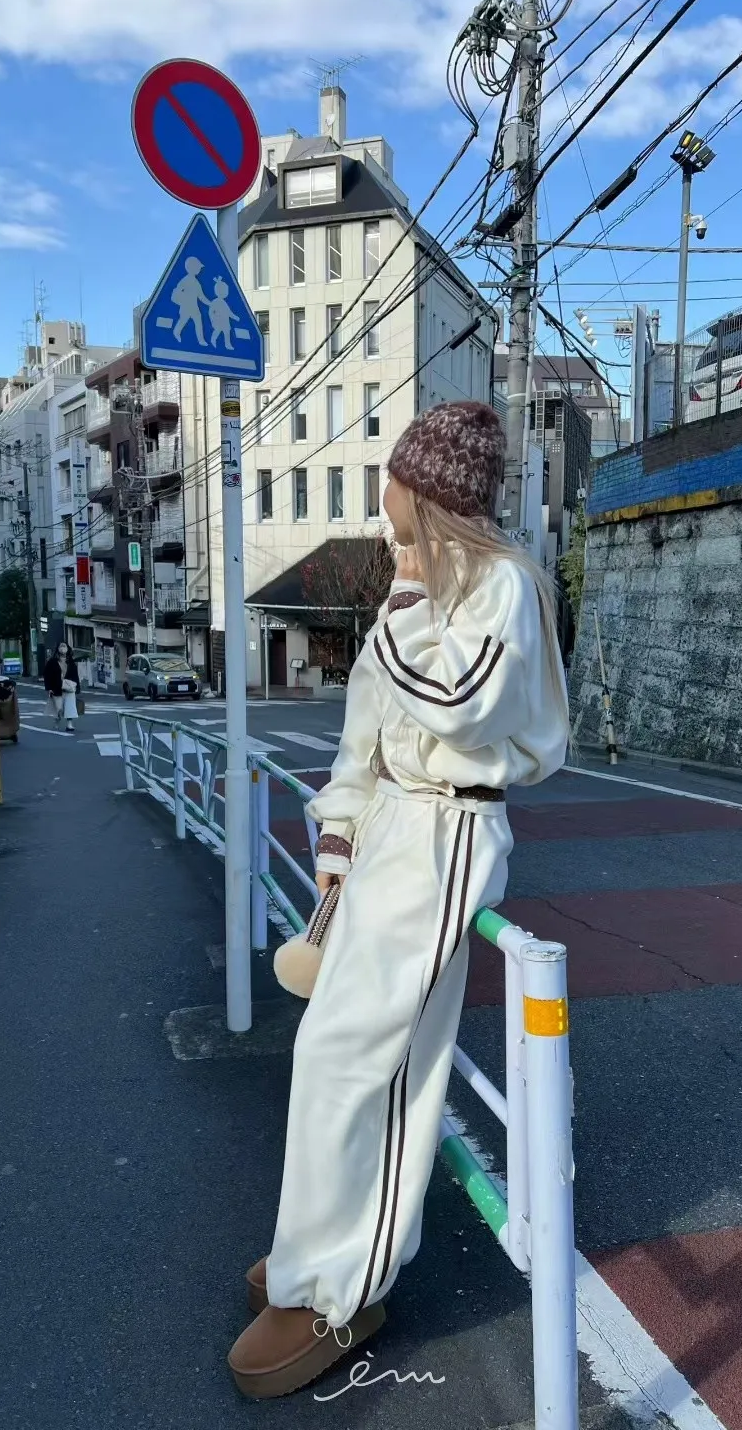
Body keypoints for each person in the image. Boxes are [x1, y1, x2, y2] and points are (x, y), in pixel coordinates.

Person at [227, 401, 571, 1398]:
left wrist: (403, 610)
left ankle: (342, 1288)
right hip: (393, 834)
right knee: (329, 1051)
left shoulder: (504, 587)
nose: (390, 529)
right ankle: (311, 1253)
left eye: (403, 508)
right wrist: (338, 836)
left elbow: (461, 705)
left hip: (450, 834)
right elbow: (361, 741)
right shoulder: (411, 600)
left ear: (439, 502)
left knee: (372, 1062)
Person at [43, 641, 80, 732]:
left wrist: (77, 687)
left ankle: (69, 724)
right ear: (58, 649)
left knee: (70, 706)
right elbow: (47, 675)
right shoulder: (52, 662)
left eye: (64, 646)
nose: (63, 648)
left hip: (69, 687)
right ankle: (57, 720)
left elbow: (75, 675)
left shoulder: (71, 662)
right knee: (59, 708)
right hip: (56, 688)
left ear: (68, 649)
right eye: (61, 646)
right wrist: (49, 688)